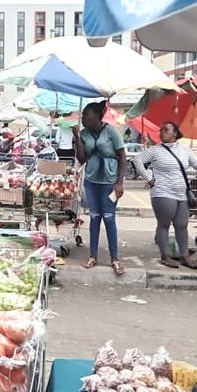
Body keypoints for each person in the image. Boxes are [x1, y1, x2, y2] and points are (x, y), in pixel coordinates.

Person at [131, 122, 197, 269]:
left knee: (181, 225)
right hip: (162, 192)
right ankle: (165, 256)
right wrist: (148, 177)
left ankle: (184, 255)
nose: (162, 133)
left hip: (182, 193)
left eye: (166, 130)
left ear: (175, 133)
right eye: (161, 130)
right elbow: (137, 160)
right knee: (164, 224)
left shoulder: (184, 150)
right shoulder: (155, 150)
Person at [73, 100, 127, 275]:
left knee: (109, 218)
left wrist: (119, 182)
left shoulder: (111, 131)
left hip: (109, 182)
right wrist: (77, 138)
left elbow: (122, 156)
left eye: (86, 115)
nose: (83, 118)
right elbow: (82, 159)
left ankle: (114, 259)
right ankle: (93, 256)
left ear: (97, 116)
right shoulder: (84, 133)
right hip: (91, 180)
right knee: (94, 217)